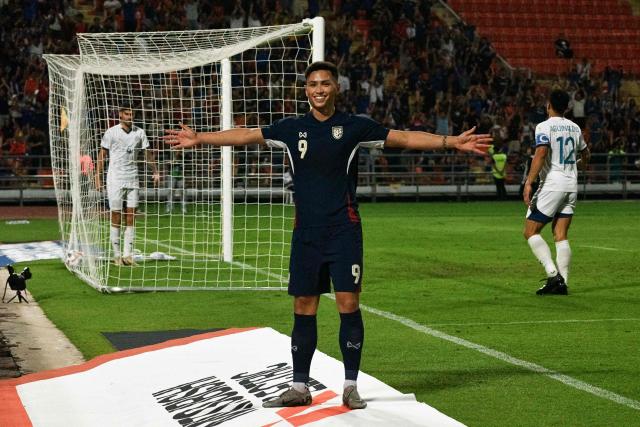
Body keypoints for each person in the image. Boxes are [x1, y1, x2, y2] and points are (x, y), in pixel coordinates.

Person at [164, 61, 491, 409]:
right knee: (303, 307)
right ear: (305, 91)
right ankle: (299, 386)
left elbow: (405, 137)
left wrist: (451, 142)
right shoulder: (291, 128)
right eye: (313, 84)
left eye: (325, 84)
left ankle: (351, 386)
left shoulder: (353, 127)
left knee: (348, 304)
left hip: (343, 231)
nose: (319, 89)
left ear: (336, 88)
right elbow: (246, 135)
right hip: (306, 233)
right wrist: (200, 138)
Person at [523, 89, 590, 295]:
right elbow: (586, 153)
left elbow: (541, 152)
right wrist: (580, 165)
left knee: (530, 231)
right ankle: (563, 283)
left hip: (552, 184)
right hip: (571, 184)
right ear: (567, 107)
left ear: (548, 105)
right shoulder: (574, 127)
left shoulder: (544, 126)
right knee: (560, 234)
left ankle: (553, 275)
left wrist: (529, 181)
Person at [96, 103, 159, 266]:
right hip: (115, 178)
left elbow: (147, 153)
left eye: (132, 114)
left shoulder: (140, 133)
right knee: (116, 215)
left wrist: (156, 170)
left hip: (133, 178)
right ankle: (117, 255)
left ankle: (128, 255)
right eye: (127, 114)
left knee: (131, 215)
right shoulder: (111, 132)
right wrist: (97, 177)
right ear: (120, 116)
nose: (130, 116)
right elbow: (102, 155)